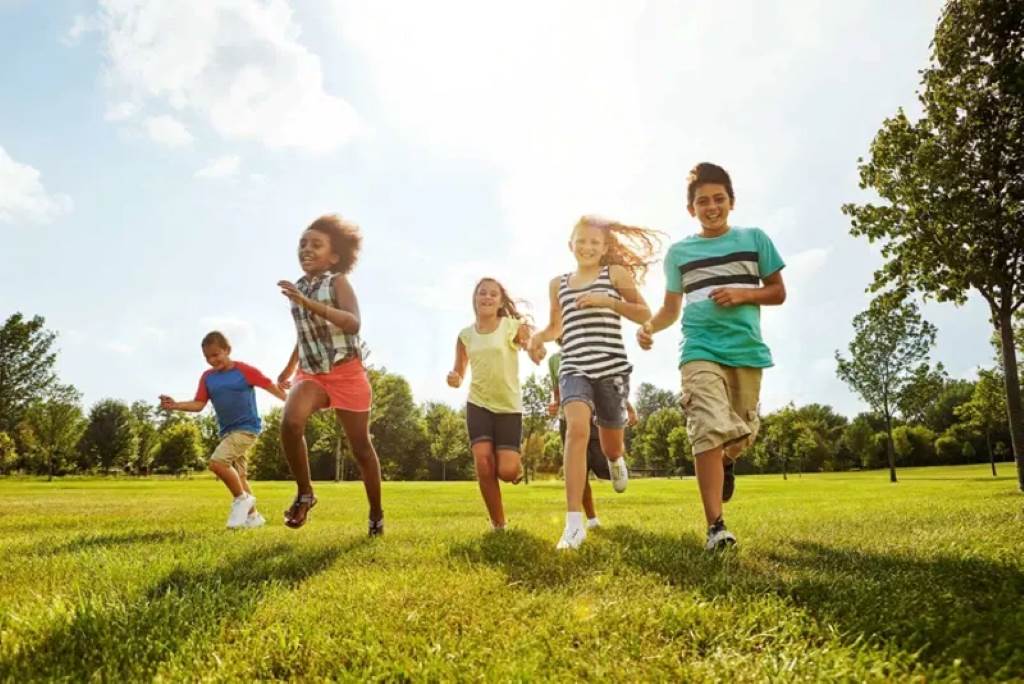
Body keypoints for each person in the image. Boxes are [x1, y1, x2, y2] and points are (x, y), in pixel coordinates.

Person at [638, 162, 786, 550]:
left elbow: (777, 292)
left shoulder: (755, 239)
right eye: (702, 201)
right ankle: (716, 527)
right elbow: (671, 308)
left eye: (719, 198)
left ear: (731, 202)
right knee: (706, 428)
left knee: (741, 433)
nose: (711, 206)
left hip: (746, 352)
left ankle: (728, 461)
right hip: (699, 350)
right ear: (692, 209)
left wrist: (744, 294)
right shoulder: (680, 253)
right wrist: (650, 327)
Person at [529, 215, 661, 550]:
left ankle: (616, 460)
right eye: (581, 240)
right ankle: (574, 525)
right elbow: (556, 328)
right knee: (575, 430)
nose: (587, 247)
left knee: (611, 445)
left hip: (611, 368)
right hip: (574, 366)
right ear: (570, 243)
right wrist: (536, 338)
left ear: (605, 247)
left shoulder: (614, 274)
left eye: (595, 242)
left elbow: (644, 314)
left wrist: (607, 300)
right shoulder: (557, 283)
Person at [276, 214, 383, 535]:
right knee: (291, 421)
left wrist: (308, 303)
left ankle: (376, 513)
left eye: (316, 244)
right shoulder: (299, 288)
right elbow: (307, 333)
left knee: (361, 448)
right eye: (303, 243)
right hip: (312, 374)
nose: (307, 248)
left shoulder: (337, 282)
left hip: (346, 371)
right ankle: (305, 493)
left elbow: (353, 323)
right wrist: (288, 368)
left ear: (334, 256)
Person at [159, 331, 286, 529]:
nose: (212, 360)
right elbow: (199, 404)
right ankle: (253, 518)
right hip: (227, 432)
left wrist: (296, 403)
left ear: (227, 350)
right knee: (240, 476)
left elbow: (271, 387)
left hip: (246, 429)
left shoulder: (244, 371)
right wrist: (175, 405)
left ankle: (242, 500)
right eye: (207, 357)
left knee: (217, 463)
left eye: (216, 354)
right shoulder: (208, 378)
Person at [447, 278, 531, 530]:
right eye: (482, 293)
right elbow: (459, 374)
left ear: (501, 301)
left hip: (508, 406)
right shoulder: (465, 336)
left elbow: (527, 343)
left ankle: (514, 466)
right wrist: (454, 378)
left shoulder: (510, 326)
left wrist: (533, 348)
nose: (487, 297)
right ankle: (498, 524)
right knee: (483, 463)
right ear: (475, 298)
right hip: (478, 404)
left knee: (506, 471)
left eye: (493, 294)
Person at [547, 347, 637, 530]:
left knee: (603, 469)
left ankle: (615, 455)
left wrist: (629, 407)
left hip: (596, 418)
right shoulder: (554, 360)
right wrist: (554, 402)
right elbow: (556, 389)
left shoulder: (591, 349)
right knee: (580, 471)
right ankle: (591, 519)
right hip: (569, 421)